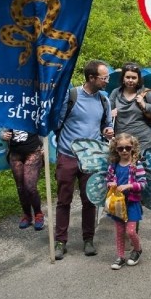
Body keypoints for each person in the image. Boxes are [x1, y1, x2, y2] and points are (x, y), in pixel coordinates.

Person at [54, 60, 115, 260]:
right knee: (64, 200)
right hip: (67, 155)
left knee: (90, 200)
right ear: (91, 78)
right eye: (103, 77)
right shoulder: (70, 96)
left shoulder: (104, 100)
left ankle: (88, 239)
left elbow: (106, 125)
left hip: (92, 159)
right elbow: (57, 123)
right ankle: (60, 241)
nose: (107, 81)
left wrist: (107, 132)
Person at [105, 133, 148, 270]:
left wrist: (129, 186)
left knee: (130, 232)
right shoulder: (113, 166)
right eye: (120, 148)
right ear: (116, 150)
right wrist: (111, 183)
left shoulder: (137, 165)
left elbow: (143, 184)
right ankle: (120, 257)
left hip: (132, 203)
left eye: (127, 148)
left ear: (133, 148)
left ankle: (137, 249)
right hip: (117, 204)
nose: (124, 151)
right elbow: (108, 179)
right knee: (119, 231)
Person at [108, 63, 151, 154]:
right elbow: (107, 115)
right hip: (122, 143)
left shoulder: (145, 93)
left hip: (144, 141)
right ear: (123, 78)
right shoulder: (115, 93)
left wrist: (145, 105)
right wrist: (110, 114)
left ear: (138, 79)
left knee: (142, 168)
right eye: (128, 77)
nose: (130, 80)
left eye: (134, 78)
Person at [0, 128, 45, 230]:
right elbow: (2, 131)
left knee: (30, 187)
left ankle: (38, 214)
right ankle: (27, 215)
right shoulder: (10, 113)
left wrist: (44, 147)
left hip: (33, 151)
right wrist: (3, 135)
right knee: (21, 187)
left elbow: (42, 127)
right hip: (15, 154)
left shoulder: (33, 111)